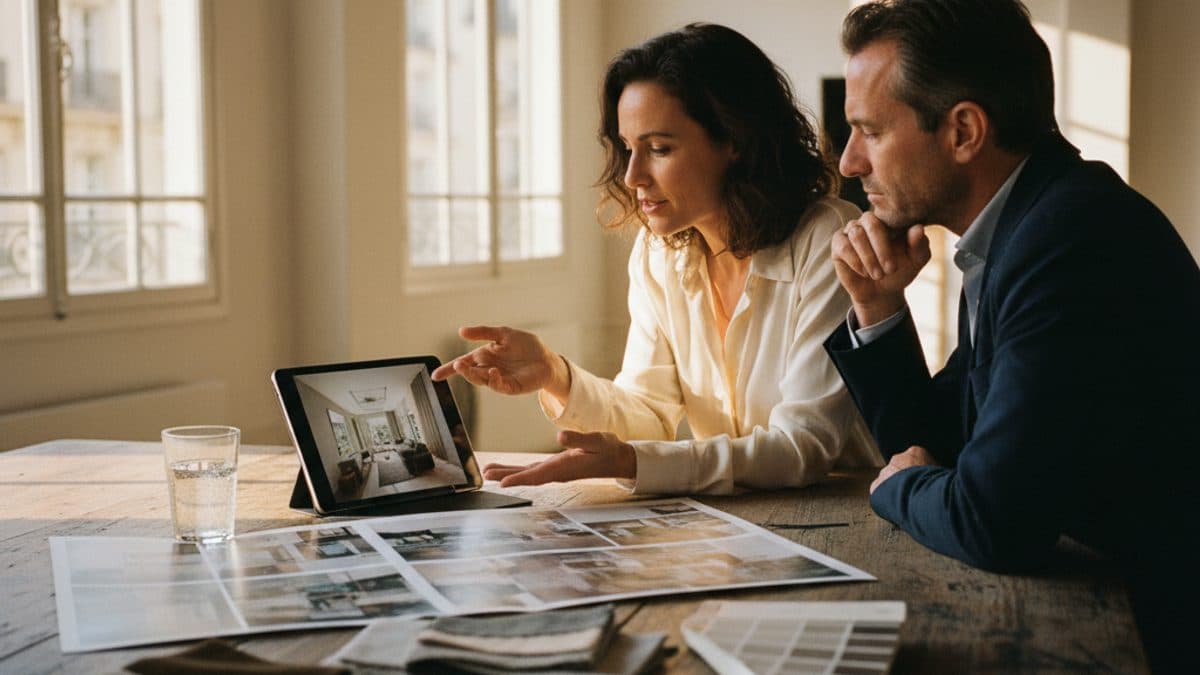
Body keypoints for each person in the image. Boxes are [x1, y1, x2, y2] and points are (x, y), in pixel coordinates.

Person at [822, 0, 1200, 670]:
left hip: (1152, 632)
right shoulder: (1024, 229)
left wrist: (895, 490)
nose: (850, 161)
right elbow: (934, 441)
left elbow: (993, 521)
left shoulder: (1071, 241)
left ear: (964, 130)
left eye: (868, 131)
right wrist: (880, 307)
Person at [432, 23, 879, 494]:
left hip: (842, 509)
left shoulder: (826, 238)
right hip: (740, 520)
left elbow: (801, 447)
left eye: (659, 149)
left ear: (734, 141)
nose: (631, 176)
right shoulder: (659, 253)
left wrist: (631, 460)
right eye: (628, 148)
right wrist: (555, 374)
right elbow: (647, 415)